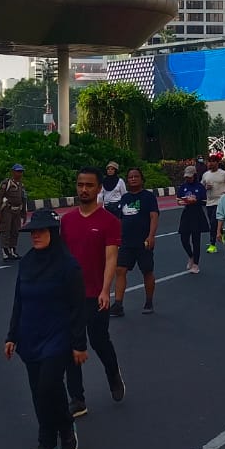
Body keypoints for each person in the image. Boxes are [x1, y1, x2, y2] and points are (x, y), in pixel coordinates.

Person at [5, 209, 88, 449]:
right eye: (33, 232)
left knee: (48, 385)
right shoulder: (28, 262)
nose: (36, 236)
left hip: (57, 336)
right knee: (36, 389)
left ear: (53, 232)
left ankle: (65, 427)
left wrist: (78, 345)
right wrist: (12, 335)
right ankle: (46, 439)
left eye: (41, 231)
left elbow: (78, 307)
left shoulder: (68, 266)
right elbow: (19, 300)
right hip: (30, 335)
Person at [62, 168, 125, 416]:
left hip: (95, 294)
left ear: (100, 188)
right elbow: (62, 258)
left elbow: (111, 258)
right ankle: (77, 398)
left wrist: (105, 290)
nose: (84, 189)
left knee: (99, 341)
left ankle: (113, 373)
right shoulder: (66, 221)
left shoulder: (109, 222)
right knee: (70, 345)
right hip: (69, 296)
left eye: (89, 185)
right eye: (80, 185)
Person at [113, 168, 160, 314]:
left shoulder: (148, 197)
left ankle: (149, 302)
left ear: (141, 179)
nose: (133, 179)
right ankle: (118, 305)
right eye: (130, 177)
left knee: (147, 271)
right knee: (120, 270)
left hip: (143, 242)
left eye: (136, 176)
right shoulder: (125, 198)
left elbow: (154, 217)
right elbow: (119, 219)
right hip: (127, 242)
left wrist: (151, 236)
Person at [175, 165, 209, 277]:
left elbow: (204, 201)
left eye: (190, 177)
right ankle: (191, 255)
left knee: (196, 240)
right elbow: (178, 199)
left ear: (194, 175)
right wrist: (181, 202)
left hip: (197, 214)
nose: (188, 179)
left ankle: (196, 264)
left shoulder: (200, 187)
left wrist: (196, 200)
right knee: (183, 238)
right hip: (186, 213)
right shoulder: (183, 186)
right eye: (186, 177)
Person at [0, 164, 28, 261]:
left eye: (21, 171)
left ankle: (13, 250)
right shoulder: (6, 183)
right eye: (18, 171)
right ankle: (5, 251)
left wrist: (24, 214)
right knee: (5, 230)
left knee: (15, 231)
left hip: (17, 211)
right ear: (13, 172)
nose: (20, 173)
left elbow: (23, 199)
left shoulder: (21, 185)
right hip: (7, 211)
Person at [201, 154, 225, 232]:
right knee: (212, 222)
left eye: (213, 161)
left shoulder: (224, 174)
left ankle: (212, 242)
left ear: (217, 163)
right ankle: (220, 232)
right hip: (209, 202)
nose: (210, 163)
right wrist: (205, 188)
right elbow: (201, 187)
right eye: (209, 161)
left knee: (214, 222)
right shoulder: (205, 175)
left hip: (220, 201)